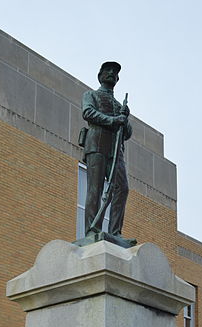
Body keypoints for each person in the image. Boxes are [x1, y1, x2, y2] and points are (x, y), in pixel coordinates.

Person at [80, 61, 136, 247]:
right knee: (94, 189)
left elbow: (127, 133)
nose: (112, 73)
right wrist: (113, 120)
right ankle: (91, 230)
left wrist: (125, 119)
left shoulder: (119, 106)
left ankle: (115, 232)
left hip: (115, 150)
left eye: (115, 72)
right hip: (96, 144)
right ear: (100, 75)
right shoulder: (91, 95)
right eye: (108, 70)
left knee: (122, 188)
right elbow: (88, 113)